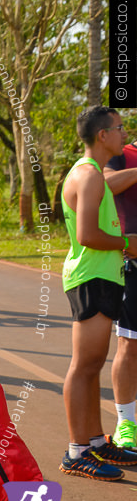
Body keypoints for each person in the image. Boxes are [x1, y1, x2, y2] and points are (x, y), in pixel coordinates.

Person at [59, 107, 137, 479]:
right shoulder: (89, 176)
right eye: (120, 129)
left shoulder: (93, 176)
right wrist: (128, 243)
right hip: (91, 276)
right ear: (102, 135)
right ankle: (76, 452)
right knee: (84, 365)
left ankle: (93, 441)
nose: (125, 134)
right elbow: (86, 235)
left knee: (93, 365)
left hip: (102, 275)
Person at [105, 141, 137, 449]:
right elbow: (103, 184)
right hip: (133, 263)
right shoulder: (122, 154)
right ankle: (126, 423)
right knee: (129, 343)